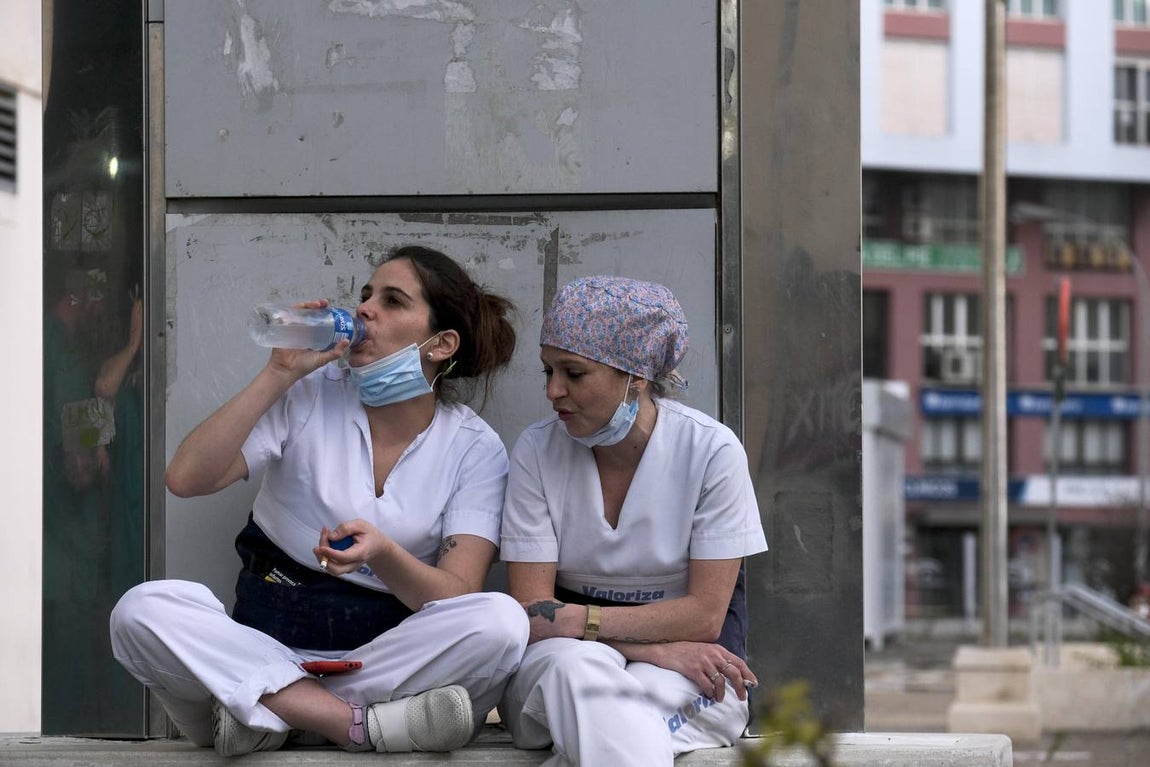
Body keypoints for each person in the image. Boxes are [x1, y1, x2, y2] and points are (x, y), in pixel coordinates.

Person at [110, 245, 529, 756]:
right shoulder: (312, 392)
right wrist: (279, 374)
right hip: (265, 646)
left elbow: (457, 593)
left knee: (500, 623)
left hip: (375, 664)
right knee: (142, 610)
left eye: (393, 301)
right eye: (366, 295)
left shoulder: (473, 447)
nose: (365, 310)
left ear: (440, 344)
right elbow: (185, 478)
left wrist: (384, 553)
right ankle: (354, 725)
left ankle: (272, 714)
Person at [498, 275, 769, 765]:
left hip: (697, 669)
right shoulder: (537, 451)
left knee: (622, 705)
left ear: (636, 376)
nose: (553, 390)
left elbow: (705, 618)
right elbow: (532, 611)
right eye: (547, 372)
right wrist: (654, 649)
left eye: (573, 373)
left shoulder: (710, 452)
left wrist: (578, 619)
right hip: (571, 662)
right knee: (579, 674)